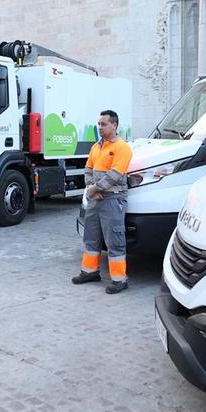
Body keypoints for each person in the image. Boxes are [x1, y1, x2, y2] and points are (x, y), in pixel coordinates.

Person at [72, 110, 133, 294]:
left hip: (113, 199)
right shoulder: (96, 147)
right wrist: (92, 186)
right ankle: (90, 272)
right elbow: (88, 168)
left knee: (114, 240)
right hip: (96, 198)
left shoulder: (122, 148)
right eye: (99, 124)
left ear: (114, 126)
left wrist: (95, 188)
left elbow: (114, 175)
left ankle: (120, 280)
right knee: (91, 237)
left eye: (104, 124)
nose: (100, 127)